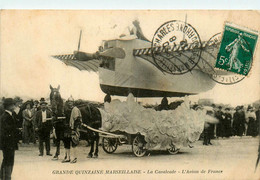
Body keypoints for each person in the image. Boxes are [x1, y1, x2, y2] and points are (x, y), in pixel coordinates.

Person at [0, 98, 19, 180]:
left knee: (8, 160)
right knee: (8, 160)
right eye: (13, 104)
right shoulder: (5, 116)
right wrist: (16, 130)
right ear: (9, 106)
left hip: (10, 143)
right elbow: (6, 130)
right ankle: (6, 177)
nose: (14, 106)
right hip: (8, 143)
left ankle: (4, 176)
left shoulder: (10, 115)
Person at [62, 96, 82, 163]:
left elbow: (77, 120)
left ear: (73, 103)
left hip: (73, 128)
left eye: (71, 102)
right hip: (67, 128)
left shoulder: (75, 109)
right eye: (69, 102)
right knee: (66, 143)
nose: (70, 103)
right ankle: (68, 158)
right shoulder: (66, 110)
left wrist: (74, 129)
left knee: (74, 143)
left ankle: (75, 158)